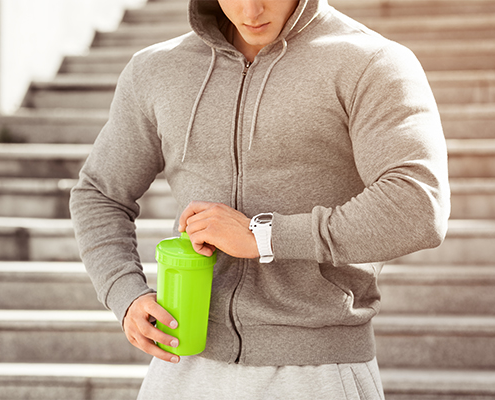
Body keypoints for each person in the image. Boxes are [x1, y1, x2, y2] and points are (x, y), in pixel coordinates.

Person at [70, 0, 450, 398]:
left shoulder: (370, 62)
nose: (250, 10)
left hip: (316, 373)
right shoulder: (157, 70)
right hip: (184, 367)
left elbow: (417, 206)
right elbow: (99, 193)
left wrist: (264, 237)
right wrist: (124, 293)